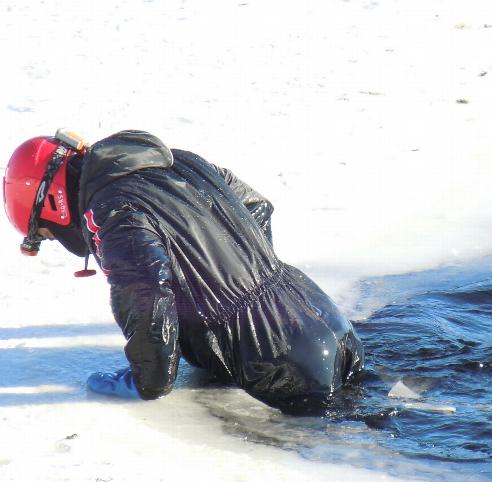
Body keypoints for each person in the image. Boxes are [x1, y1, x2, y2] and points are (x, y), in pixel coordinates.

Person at [2, 129, 364, 402]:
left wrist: (149, 378)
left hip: (276, 358)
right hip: (321, 315)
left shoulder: (112, 212)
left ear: (52, 204)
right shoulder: (180, 161)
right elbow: (256, 207)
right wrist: (246, 271)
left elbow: (146, 295)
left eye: (47, 233)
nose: (58, 239)